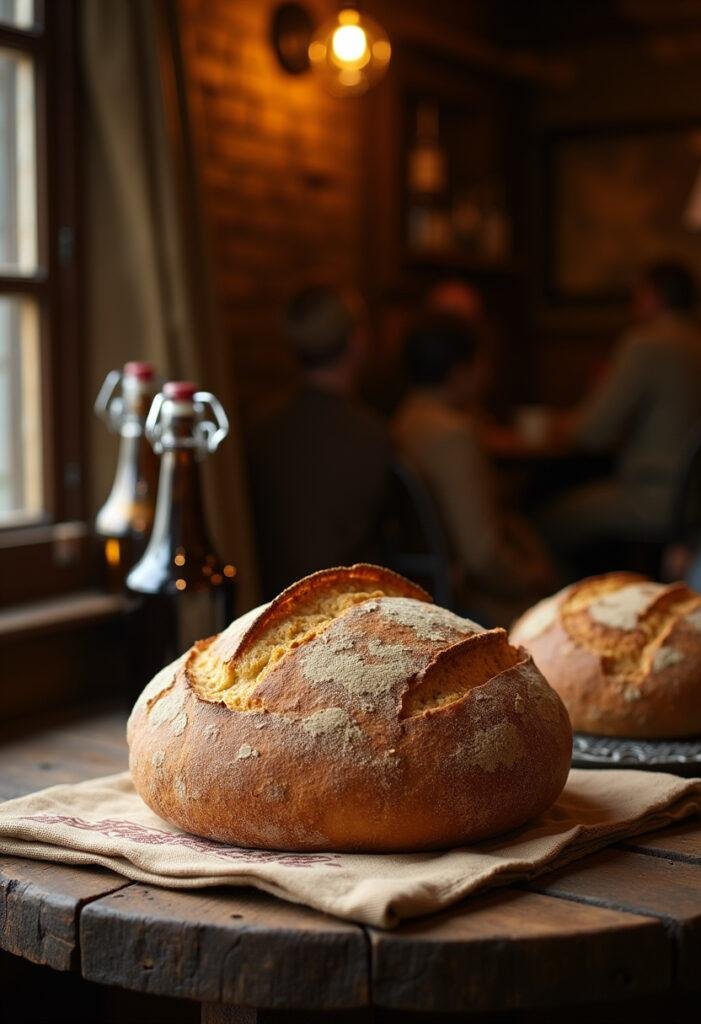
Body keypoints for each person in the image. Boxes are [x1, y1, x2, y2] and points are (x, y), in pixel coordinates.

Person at [392, 312, 554, 625]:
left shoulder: (406, 418)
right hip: (476, 607)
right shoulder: (453, 435)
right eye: (482, 363)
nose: (487, 374)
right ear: (459, 372)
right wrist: (532, 577)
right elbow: (482, 556)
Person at [543, 261, 701, 559]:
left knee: (547, 520)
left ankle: (560, 600)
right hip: (694, 500)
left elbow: (590, 432)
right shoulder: (695, 343)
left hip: (651, 497)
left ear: (651, 297)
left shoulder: (646, 344)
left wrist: (562, 425)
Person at [248, 284, 392, 598]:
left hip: (268, 603)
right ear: (357, 341)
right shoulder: (372, 434)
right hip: (354, 608)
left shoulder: (260, 429)